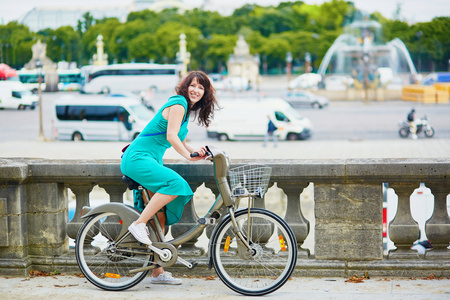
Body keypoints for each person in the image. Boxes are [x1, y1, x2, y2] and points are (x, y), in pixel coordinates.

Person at [121, 70, 218, 285]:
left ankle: (157, 273)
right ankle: (138, 224)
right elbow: (171, 137)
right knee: (176, 184)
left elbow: (182, 143)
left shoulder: (184, 111)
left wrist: (199, 154)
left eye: (201, 88)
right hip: (138, 158)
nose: (196, 90)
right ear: (185, 86)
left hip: (150, 159)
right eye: (193, 85)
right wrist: (187, 155)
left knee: (161, 217)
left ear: (205, 93)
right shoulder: (178, 103)